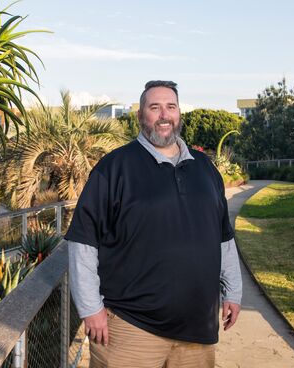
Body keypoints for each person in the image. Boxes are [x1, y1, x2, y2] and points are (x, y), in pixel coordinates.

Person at [65, 80, 242, 368]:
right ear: (140, 116)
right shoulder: (114, 168)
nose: (164, 115)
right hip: (129, 329)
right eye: (154, 107)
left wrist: (233, 291)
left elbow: (223, 237)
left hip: (197, 329)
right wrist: (90, 309)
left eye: (170, 107)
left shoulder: (205, 168)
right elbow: (84, 241)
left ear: (179, 113)